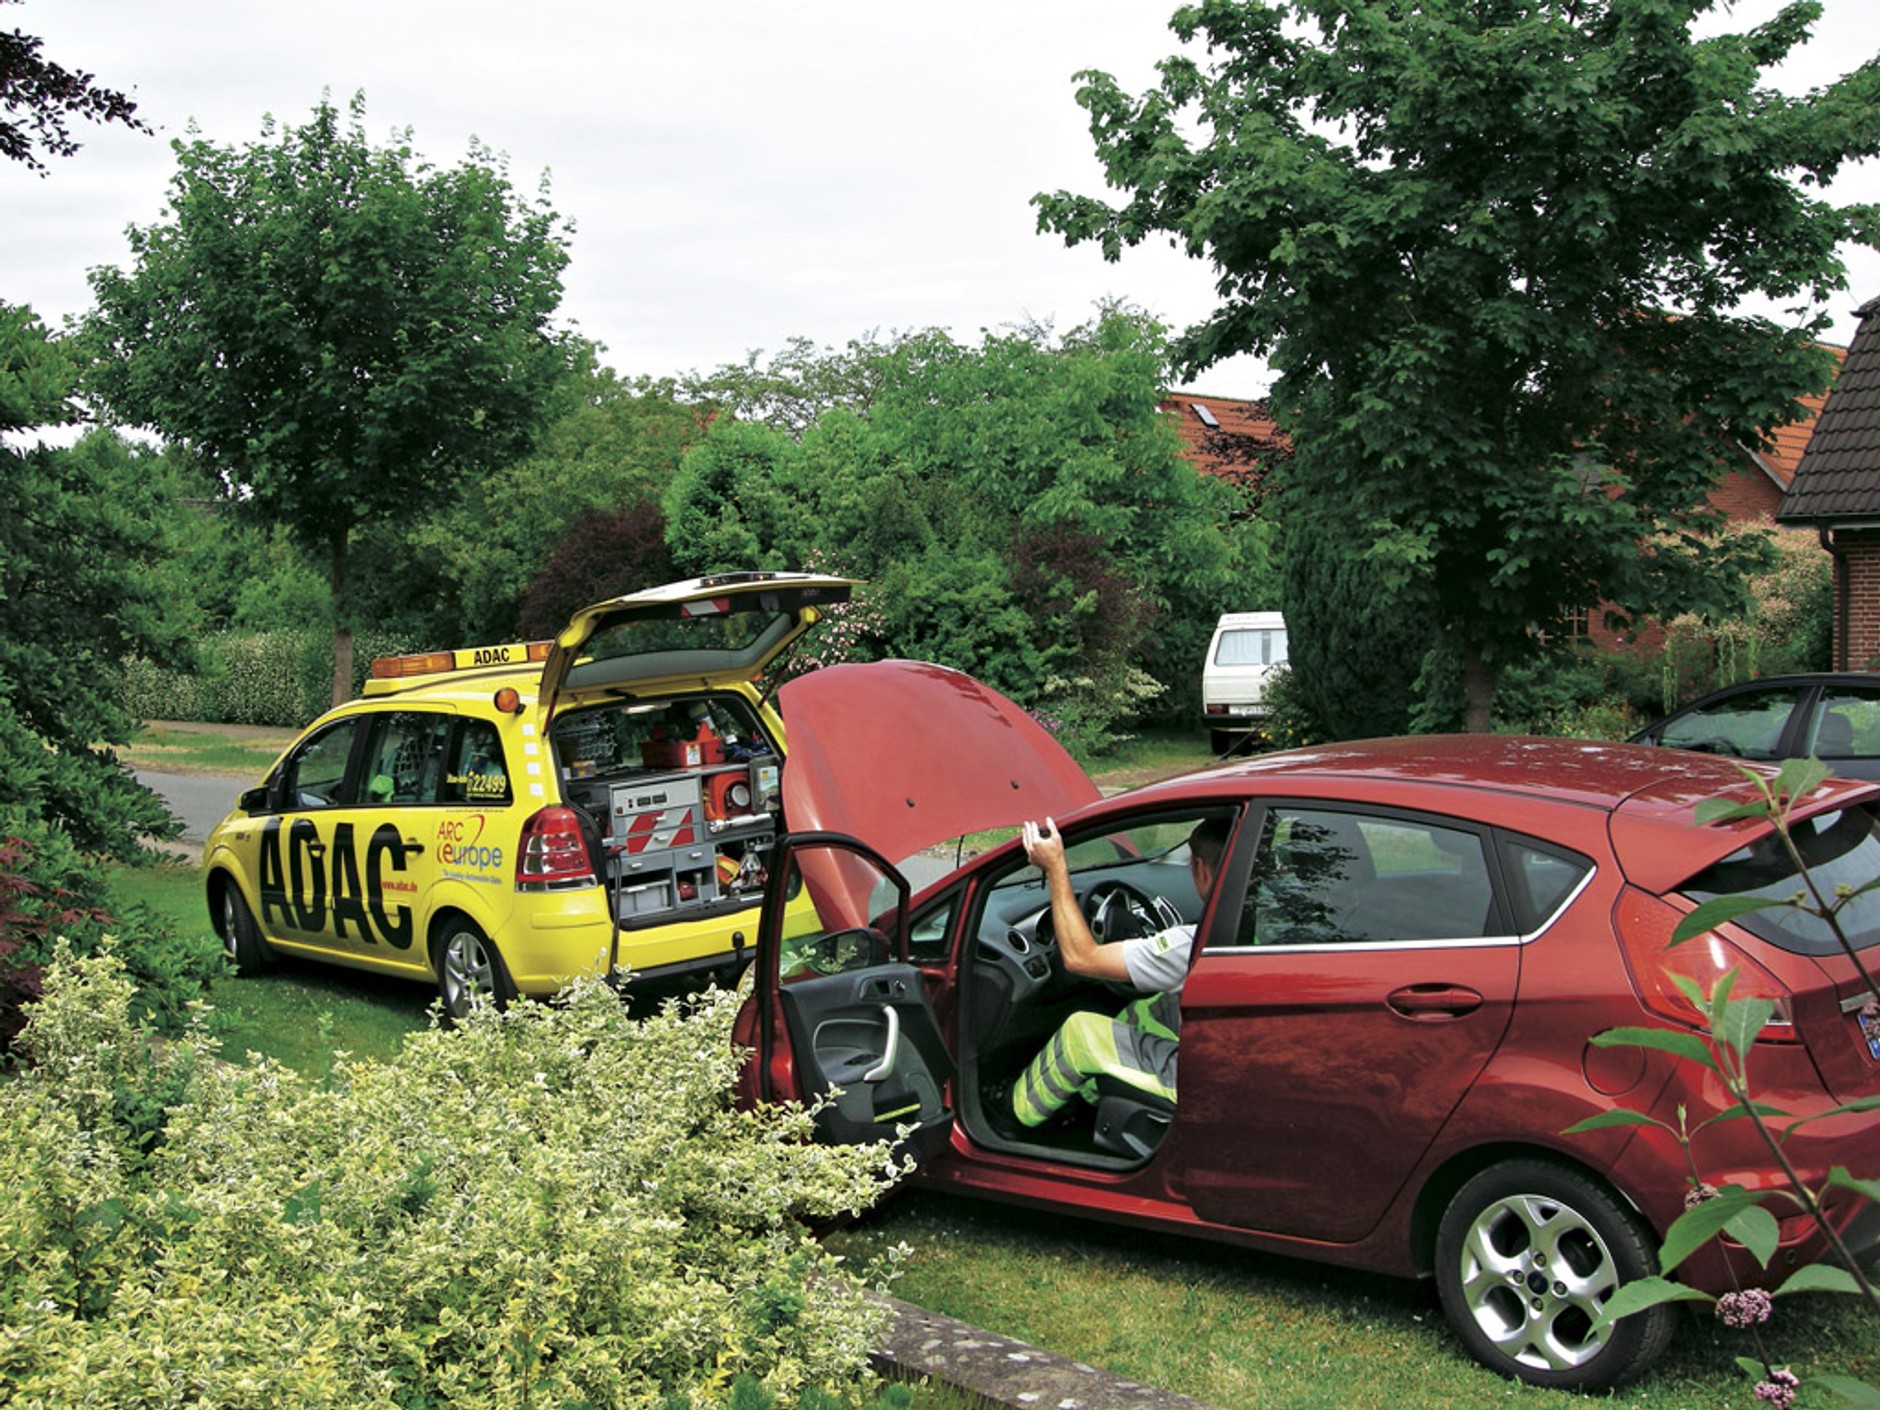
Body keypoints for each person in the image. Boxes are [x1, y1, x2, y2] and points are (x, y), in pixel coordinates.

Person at [1008, 815, 1230, 1129]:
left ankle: (1011, 1115)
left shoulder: (1193, 946)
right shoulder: (1262, 918)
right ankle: (1091, 1093)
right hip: (1236, 1056)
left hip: (1201, 1079)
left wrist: (1056, 867)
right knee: (1150, 1008)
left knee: (1080, 1032)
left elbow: (1080, 958)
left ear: (1200, 869)